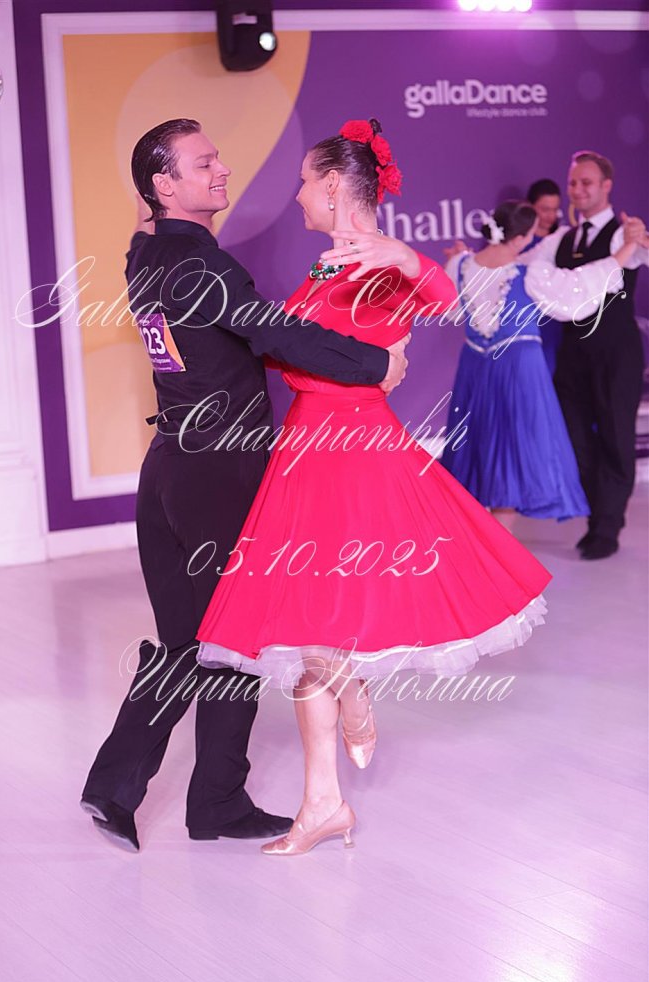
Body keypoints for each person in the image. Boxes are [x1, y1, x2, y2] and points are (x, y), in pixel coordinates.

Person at [195, 119, 553, 857]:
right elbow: (298, 352)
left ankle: (351, 706)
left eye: (304, 181)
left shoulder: (379, 260)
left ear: (333, 184)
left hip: (353, 455)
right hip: (305, 451)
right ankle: (323, 801)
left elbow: (445, 301)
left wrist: (405, 256)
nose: (297, 195)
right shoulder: (327, 265)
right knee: (302, 636)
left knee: (314, 631)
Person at [80, 118, 411, 851]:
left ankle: (127, 787)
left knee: (187, 639)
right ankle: (210, 800)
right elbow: (278, 335)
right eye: (203, 163)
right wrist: (375, 363)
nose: (223, 169)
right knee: (234, 639)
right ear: (165, 185)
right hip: (219, 474)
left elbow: (152, 239)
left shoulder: (145, 254)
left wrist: (152, 212)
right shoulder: (203, 266)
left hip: (167, 468)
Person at [441, 199, 639, 536]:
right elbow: (580, 287)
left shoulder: (460, 264)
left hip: (474, 368)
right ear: (520, 238)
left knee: (477, 452)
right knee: (512, 457)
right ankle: (495, 549)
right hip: (518, 371)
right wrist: (627, 249)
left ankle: (482, 545)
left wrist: (458, 258)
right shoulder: (530, 273)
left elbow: (452, 311)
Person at [522, 150, 649, 559]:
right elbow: (521, 265)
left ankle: (607, 528)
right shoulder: (562, 238)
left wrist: (641, 238)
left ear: (606, 186)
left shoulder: (625, 232)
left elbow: (644, 254)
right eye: (573, 183)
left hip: (616, 353)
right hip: (574, 354)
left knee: (615, 437)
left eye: (586, 182)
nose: (577, 190)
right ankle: (597, 517)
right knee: (575, 439)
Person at [525, 178, 563, 373]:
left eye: (555, 209)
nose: (551, 216)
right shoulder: (519, 243)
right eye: (545, 209)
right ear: (530, 207)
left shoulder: (564, 240)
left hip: (560, 320)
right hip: (531, 320)